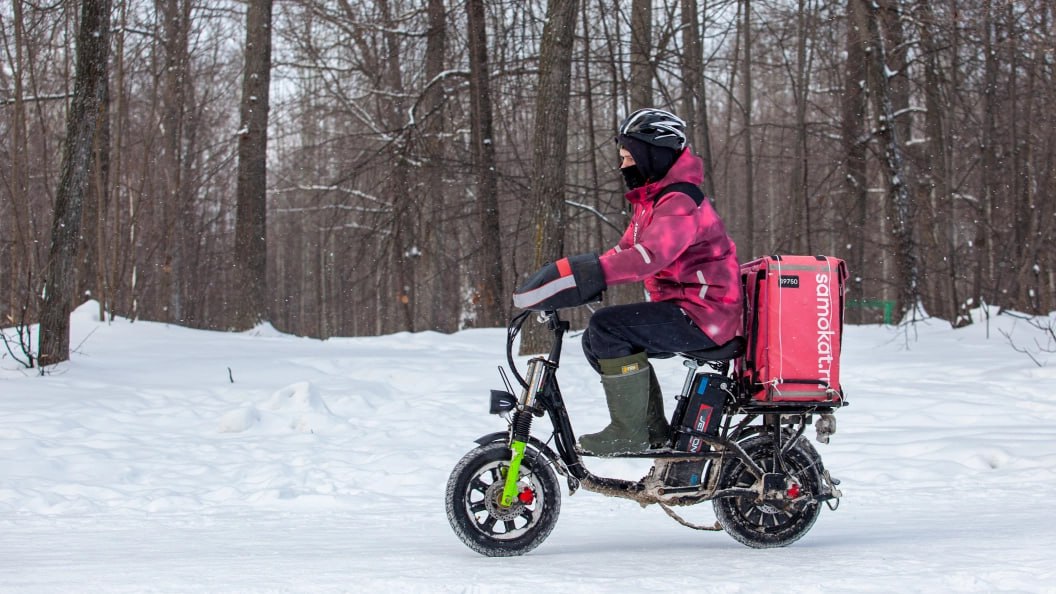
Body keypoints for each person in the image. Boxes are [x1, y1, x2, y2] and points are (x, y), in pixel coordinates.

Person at [513, 108, 742, 455]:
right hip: (687, 311)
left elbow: (651, 255)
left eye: (628, 157)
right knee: (596, 338)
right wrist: (572, 275)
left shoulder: (681, 202)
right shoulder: (653, 203)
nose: (623, 167)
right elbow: (623, 250)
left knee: (608, 327)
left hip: (706, 316)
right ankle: (652, 431)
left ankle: (630, 432)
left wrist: (591, 274)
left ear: (653, 154)